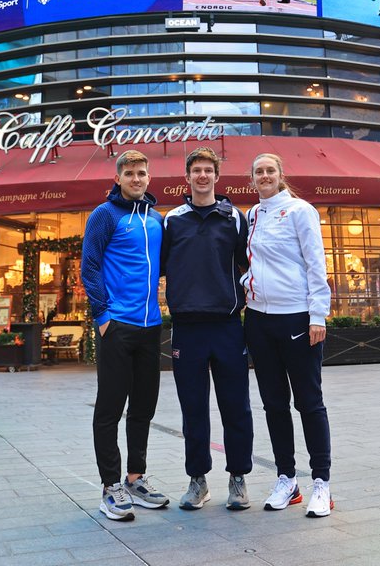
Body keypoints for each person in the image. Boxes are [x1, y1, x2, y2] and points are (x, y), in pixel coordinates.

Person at [161, 147, 254, 511]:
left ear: (217, 177)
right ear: (187, 178)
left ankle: (239, 478)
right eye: (196, 170)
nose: (202, 176)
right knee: (193, 409)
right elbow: (161, 266)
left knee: (237, 408)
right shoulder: (173, 220)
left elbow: (248, 266)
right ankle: (197, 480)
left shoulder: (234, 218)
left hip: (228, 326)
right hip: (187, 330)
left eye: (208, 171)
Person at [242, 153, 334, 518]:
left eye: (269, 171)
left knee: (309, 403)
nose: (264, 176)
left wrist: (318, 315)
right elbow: (254, 263)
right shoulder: (252, 215)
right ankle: (286, 479)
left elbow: (316, 262)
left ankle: (322, 484)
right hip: (259, 321)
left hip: (297, 318)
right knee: (274, 405)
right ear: (252, 179)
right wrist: (245, 283)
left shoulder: (300, 210)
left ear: (280, 176)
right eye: (258, 171)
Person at [81, 149, 170, 521]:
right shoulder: (105, 214)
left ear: (149, 178)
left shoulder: (156, 219)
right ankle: (109, 486)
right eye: (130, 173)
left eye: (142, 173)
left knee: (144, 407)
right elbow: (90, 266)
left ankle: (135, 477)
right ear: (118, 178)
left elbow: (166, 267)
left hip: (151, 326)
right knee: (110, 408)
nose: (137, 178)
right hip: (117, 326)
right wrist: (103, 316)